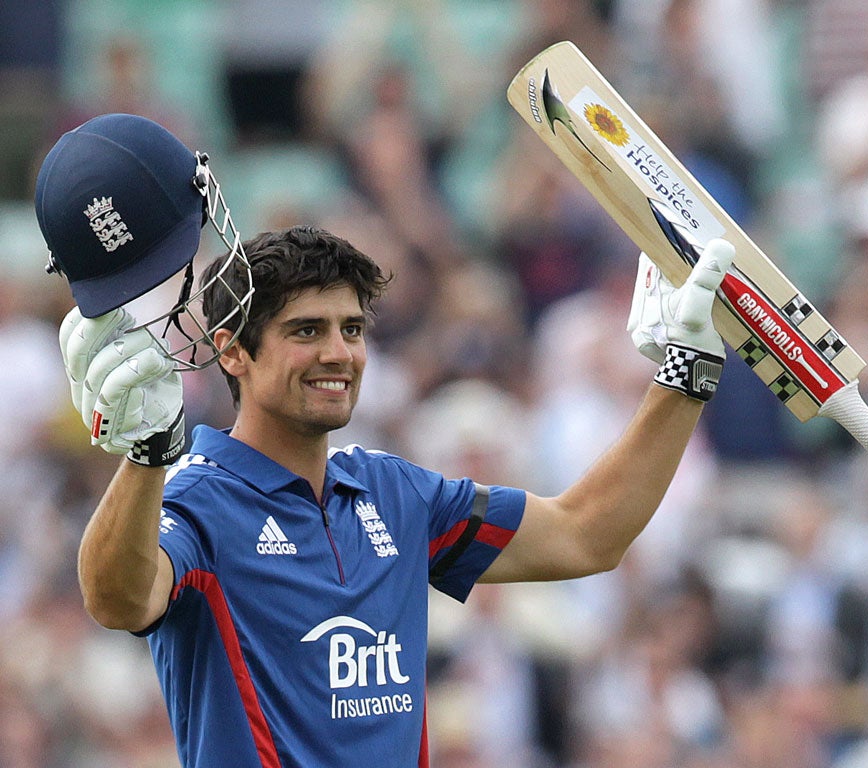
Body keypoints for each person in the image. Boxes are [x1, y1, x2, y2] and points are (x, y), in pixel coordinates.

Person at [37, 113, 735, 767]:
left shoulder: (395, 494)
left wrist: (684, 376)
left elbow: (589, 535)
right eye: (306, 331)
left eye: (352, 329)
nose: (339, 353)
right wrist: (149, 456)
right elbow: (118, 600)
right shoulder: (197, 501)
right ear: (233, 353)